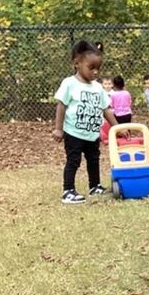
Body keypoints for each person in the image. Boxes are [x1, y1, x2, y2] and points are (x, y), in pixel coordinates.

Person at [53, 40, 117, 203]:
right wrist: (58, 129)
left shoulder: (97, 87)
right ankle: (68, 191)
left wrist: (117, 127)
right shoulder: (70, 84)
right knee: (73, 161)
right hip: (73, 132)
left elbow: (106, 109)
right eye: (91, 68)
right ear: (77, 64)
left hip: (92, 133)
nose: (95, 72)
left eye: (98, 68)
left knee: (94, 159)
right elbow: (61, 105)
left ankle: (94, 186)